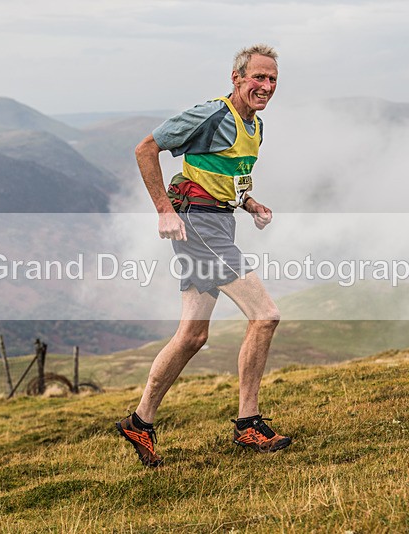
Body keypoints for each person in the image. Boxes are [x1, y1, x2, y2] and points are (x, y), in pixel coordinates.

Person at [116, 44, 291, 467]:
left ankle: (140, 421)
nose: (265, 86)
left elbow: (226, 176)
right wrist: (163, 210)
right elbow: (145, 148)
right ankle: (248, 424)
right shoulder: (211, 114)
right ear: (237, 78)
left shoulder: (256, 126)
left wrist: (249, 204)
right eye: (258, 78)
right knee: (265, 315)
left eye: (272, 80)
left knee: (193, 336)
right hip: (198, 225)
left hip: (217, 222)